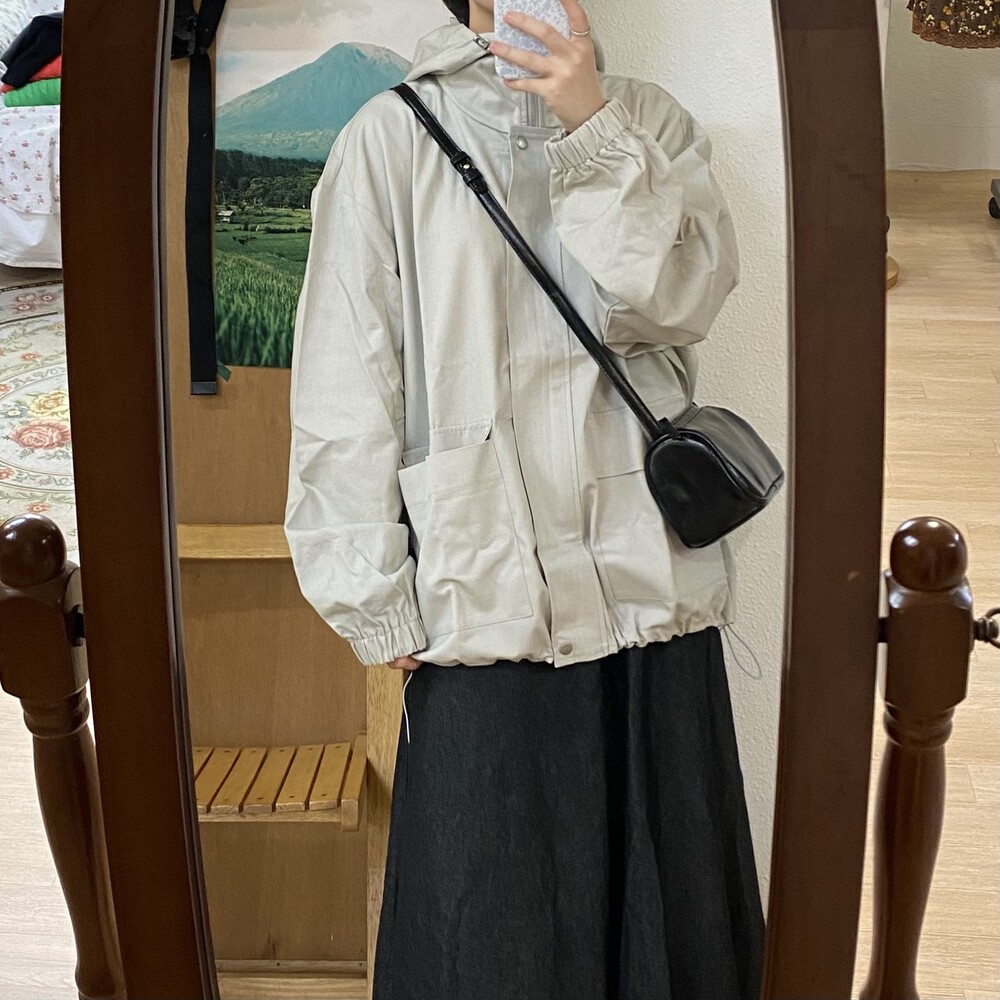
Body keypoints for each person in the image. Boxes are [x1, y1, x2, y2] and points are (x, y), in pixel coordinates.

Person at [283, 1, 765, 996]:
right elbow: (345, 378)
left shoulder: (649, 121)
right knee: (487, 933)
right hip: (485, 590)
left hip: (647, 584)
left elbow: (680, 301)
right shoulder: (389, 139)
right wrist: (367, 588)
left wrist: (591, 130)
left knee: (671, 935)